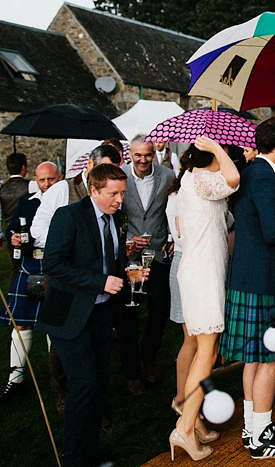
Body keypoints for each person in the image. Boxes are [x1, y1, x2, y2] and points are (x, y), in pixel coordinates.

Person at [37, 163, 140, 467]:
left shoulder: (114, 217)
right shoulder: (68, 216)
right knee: (82, 386)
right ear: (93, 190)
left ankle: (91, 454)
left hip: (100, 314)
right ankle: (74, 459)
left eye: (122, 192)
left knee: (98, 385)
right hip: (70, 316)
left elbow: (107, 263)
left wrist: (127, 273)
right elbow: (52, 264)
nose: (120, 199)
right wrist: (100, 282)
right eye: (113, 193)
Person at [219, 118, 275, 459]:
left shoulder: (251, 172)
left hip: (247, 276)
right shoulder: (266, 177)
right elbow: (274, 232)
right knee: (270, 359)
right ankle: (261, 441)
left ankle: (253, 426)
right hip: (264, 280)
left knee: (254, 360)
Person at [31, 143, 121, 412]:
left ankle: (94, 415)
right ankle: (63, 394)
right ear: (92, 168)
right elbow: (50, 253)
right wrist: (73, 244)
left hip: (101, 304)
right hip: (70, 291)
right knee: (68, 355)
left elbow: (108, 251)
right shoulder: (62, 195)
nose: (119, 198)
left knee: (96, 374)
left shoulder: (113, 211)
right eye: (105, 168)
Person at [170, 136, 240, 461]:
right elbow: (234, 178)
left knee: (204, 352)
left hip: (196, 270)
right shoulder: (201, 180)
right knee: (207, 352)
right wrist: (219, 149)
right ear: (210, 158)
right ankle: (184, 428)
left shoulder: (188, 179)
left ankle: (191, 419)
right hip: (204, 273)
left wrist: (214, 151)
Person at [0, 161, 61, 406]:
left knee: (54, 324)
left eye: (51, 179)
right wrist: (14, 238)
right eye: (42, 180)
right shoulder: (27, 202)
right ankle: (16, 380)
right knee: (21, 325)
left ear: (59, 177)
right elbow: (12, 231)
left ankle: (59, 384)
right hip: (30, 266)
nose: (46, 185)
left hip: (57, 265)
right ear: (35, 179)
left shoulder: (66, 202)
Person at [116, 136, 175, 395]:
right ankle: (132, 372)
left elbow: (174, 211)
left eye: (147, 155)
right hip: (132, 260)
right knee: (129, 315)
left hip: (159, 255)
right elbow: (113, 215)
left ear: (154, 154)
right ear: (130, 154)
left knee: (159, 311)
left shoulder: (167, 175)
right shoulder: (119, 177)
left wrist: (174, 238)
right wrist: (128, 240)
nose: (142, 160)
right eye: (137, 155)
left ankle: (149, 358)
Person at [0, 152, 34, 282]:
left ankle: (12, 299)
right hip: (29, 231)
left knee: (15, 268)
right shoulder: (31, 186)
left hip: (11, 232)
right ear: (24, 168)